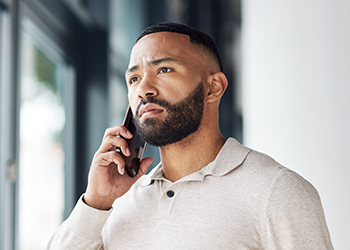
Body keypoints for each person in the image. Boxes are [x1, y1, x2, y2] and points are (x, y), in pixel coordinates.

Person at [47, 22, 333, 249]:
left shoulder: (277, 191)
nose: (143, 89)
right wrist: (96, 202)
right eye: (134, 78)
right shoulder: (116, 204)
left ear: (213, 88)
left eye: (164, 69)